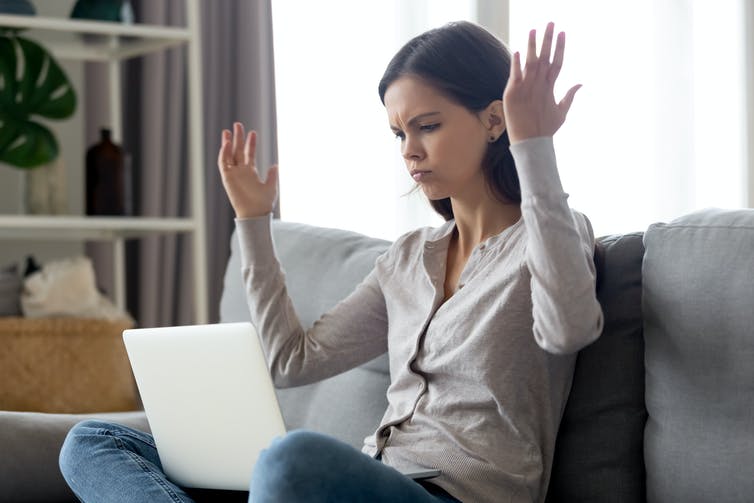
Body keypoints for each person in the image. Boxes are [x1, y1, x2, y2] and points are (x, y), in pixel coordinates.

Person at [59, 20, 602, 503]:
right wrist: (253, 221)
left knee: (291, 459)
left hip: (458, 494)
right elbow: (291, 362)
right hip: (367, 479)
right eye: (398, 132)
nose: (408, 150)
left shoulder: (552, 235)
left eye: (427, 126)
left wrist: (534, 147)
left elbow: (568, 329)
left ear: (493, 120)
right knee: (93, 442)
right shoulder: (409, 258)